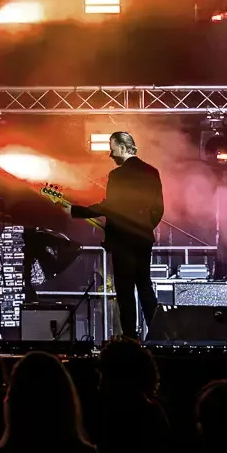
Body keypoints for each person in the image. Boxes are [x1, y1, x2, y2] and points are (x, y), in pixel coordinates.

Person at [62, 130, 163, 340]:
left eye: (113, 148)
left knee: (125, 290)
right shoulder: (152, 172)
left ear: (124, 148)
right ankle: (157, 336)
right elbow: (158, 208)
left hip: (123, 242)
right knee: (145, 286)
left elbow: (110, 206)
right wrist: (144, 227)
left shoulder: (117, 175)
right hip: (144, 239)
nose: (111, 154)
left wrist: (76, 211)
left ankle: (130, 338)